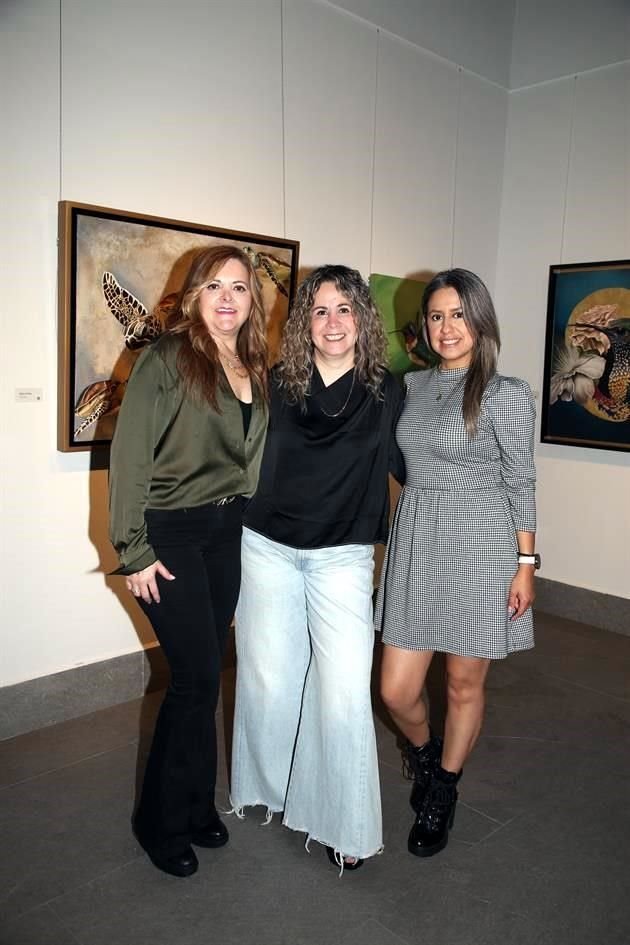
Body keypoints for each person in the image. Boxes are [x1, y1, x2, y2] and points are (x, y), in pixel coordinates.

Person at [230, 264, 404, 873]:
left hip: (342, 557)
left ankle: (345, 825)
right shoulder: (274, 382)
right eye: (321, 310)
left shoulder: (389, 392)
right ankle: (274, 788)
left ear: (364, 318)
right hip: (268, 547)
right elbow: (228, 456)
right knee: (269, 679)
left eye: (345, 309)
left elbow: (422, 466)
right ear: (304, 320)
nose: (333, 322)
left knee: (344, 692)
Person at [108, 245, 268, 877]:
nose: (228, 298)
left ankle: (199, 805)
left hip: (226, 532)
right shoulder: (165, 359)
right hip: (169, 533)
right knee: (195, 679)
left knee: (208, 677)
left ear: (253, 300)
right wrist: (133, 548)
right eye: (215, 287)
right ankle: (159, 822)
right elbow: (130, 459)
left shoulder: (252, 361)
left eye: (240, 287)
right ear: (195, 294)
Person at [376, 268, 537, 858]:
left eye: (459, 315)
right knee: (397, 691)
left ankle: (443, 787)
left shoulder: (507, 391)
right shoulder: (411, 388)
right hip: (418, 543)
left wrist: (526, 563)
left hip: (481, 547)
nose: (448, 327)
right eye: (438, 316)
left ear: (481, 321)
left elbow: (522, 480)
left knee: (464, 683)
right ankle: (424, 755)